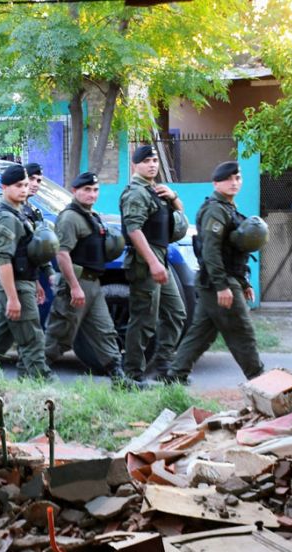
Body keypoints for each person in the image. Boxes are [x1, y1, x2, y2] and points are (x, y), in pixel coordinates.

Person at [162, 162, 265, 384]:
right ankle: (259, 381)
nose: (234, 183)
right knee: (242, 332)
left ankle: (175, 376)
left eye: (237, 178)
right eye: (228, 179)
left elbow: (234, 252)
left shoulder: (228, 208)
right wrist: (222, 286)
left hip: (222, 280)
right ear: (216, 183)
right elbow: (210, 251)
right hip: (219, 282)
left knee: (201, 334)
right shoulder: (215, 210)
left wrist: (244, 282)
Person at [43, 172, 135, 386]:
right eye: (86, 190)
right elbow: (62, 254)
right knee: (60, 333)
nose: (92, 194)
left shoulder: (91, 216)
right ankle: (36, 370)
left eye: (95, 190)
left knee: (105, 331)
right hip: (77, 284)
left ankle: (119, 378)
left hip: (94, 285)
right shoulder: (69, 218)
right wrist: (74, 287)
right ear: (74, 191)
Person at [0, 164, 53, 379]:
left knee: (2, 337)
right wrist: (13, 298)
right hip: (14, 285)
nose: (24, 189)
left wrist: (36, 282)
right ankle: (41, 382)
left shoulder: (21, 211)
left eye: (26, 185)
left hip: (23, 281)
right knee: (32, 338)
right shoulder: (6, 217)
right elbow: (3, 260)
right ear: (4, 187)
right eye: (18, 186)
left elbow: (27, 254)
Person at [119, 145, 186, 382]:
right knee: (144, 319)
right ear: (135, 165)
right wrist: (153, 263)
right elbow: (133, 229)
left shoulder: (154, 191)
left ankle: (163, 367)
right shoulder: (136, 193)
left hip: (160, 257)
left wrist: (174, 197)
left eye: (155, 160)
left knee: (176, 313)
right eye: (146, 161)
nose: (152, 165)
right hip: (146, 262)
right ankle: (132, 376)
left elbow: (176, 221)